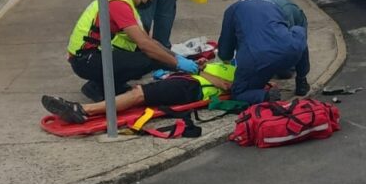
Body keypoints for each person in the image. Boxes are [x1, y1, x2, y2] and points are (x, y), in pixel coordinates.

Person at [65, 0, 200, 99]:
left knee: (147, 52)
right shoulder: (119, 5)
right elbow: (146, 45)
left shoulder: (124, 1)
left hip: (88, 56)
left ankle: (110, 84)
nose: (151, 1)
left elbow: (149, 41)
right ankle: (97, 87)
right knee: (148, 58)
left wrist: (176, 57)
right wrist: (176, 64)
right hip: (85, 60)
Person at [42, 60, 236, 125]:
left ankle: (83, 109)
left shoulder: (240, 72)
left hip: (190, 87)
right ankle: (100, 101)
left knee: (138, 94)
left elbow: (227, 86)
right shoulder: (228, 62)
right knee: (135, 92)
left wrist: (199, 71)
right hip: (183, 81)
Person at [218, 0, 309, 104]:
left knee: (239, 92)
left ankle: (266, 96)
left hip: (256, 59)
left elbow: (225, 52)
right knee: (299, 32)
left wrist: (229, 59)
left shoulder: (233, 9)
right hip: (288, 52)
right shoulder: (274, 6)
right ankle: (302, 81)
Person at [264, 0, 311, 87]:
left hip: (296, 22)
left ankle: (301, 80)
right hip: (277, 17)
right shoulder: (260, 12)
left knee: (299, 47)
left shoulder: (285, 12)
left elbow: (290, 44)